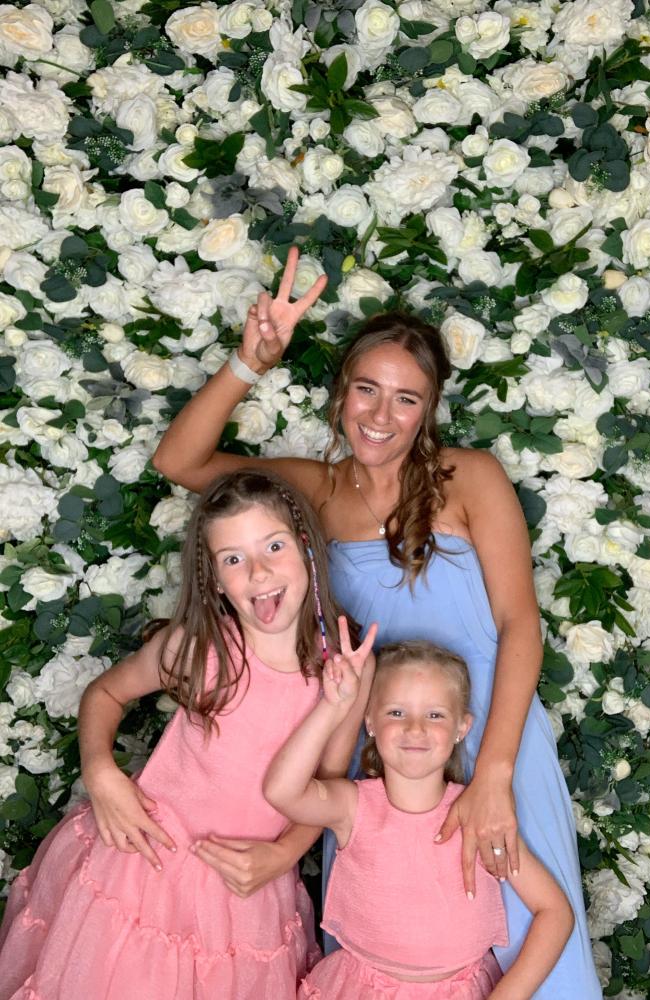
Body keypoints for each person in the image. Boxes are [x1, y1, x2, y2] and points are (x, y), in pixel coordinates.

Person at [152, 248, 603, 997]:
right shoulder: (318, 491)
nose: (381, 415)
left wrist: (494, 774)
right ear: (341, 395)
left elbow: (521, 625)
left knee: (527, 930)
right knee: (393, 941)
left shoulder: (471, 478)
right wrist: (248, 363)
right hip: (384, 748)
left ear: (429, 410)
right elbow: (180, 461)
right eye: (366, 390)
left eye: (405, 399)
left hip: (492, 730)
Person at [0, 470, 376, 1000]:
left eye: (274, 546)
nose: (259, 571)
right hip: (144, 864)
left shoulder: (347, 666)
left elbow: (328, 784)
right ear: (215, 579)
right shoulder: (200, 649)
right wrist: (100, 770)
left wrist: (284, 855)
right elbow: (106, 693)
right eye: (233, 559)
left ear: (307, 548)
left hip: (244, 889)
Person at [264, 638, 574, 999]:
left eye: (435, 715)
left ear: (462, 727)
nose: (415, 728)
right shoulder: (352, 806)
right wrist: (334, 707)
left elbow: (555, 912)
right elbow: (282, 791)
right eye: (397, 712)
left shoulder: (477, 818)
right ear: (370, 722)